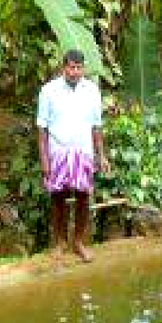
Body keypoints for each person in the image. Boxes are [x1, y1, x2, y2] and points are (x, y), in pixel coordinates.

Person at [37, 50, 112, 260]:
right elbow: (41, 130)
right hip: (58, 151)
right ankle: (60, 242)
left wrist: (102, 155)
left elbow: (96, 127)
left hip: (83, 152)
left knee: (83, 196)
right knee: (58, 197)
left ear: (83, 69)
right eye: (71, 67)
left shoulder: (92, 91)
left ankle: (79, 242)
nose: (74, 72)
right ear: (64, 68)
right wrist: (44, 161)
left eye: (79, 68)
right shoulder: (48, 91)